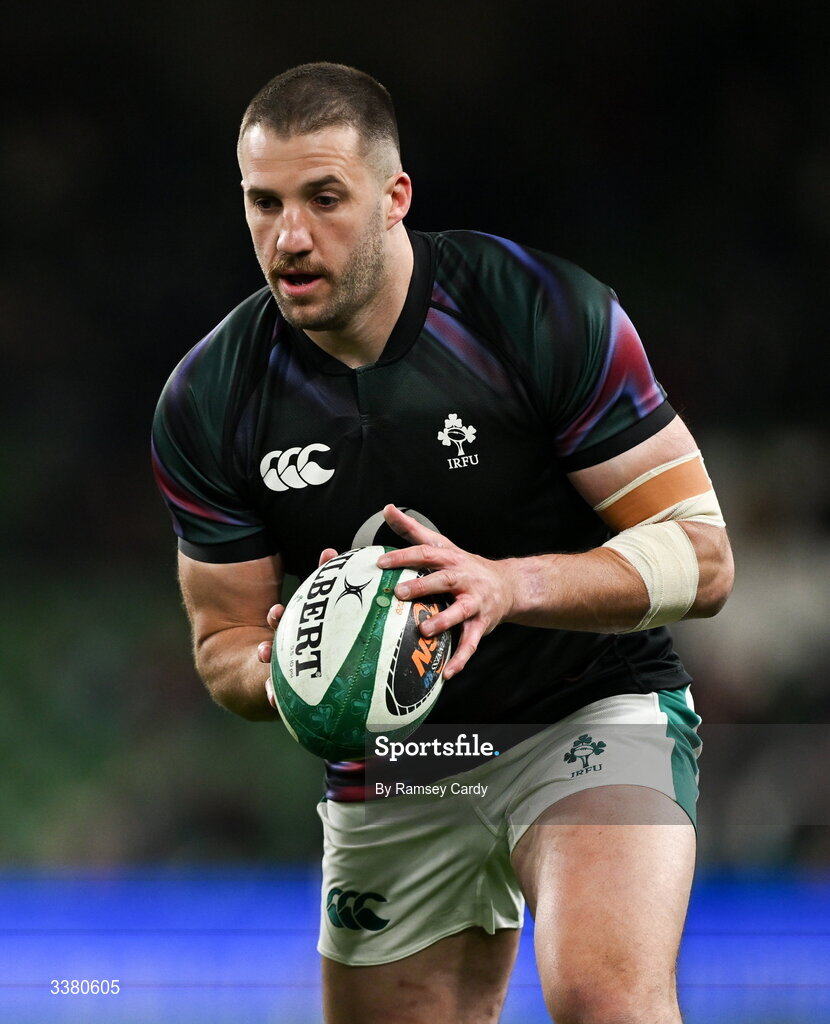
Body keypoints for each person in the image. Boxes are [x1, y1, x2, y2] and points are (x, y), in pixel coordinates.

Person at [152, 62, 733, 1023]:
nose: (289, 237)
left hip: (584, 709)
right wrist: (300, 669)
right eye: (264, 203)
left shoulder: (536, 311)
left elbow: (704, 556)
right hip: (395, 761)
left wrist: (506, 587)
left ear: (395, 198)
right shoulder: (209, 400)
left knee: (605, 1000)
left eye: (324, 199)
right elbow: (224, 647)